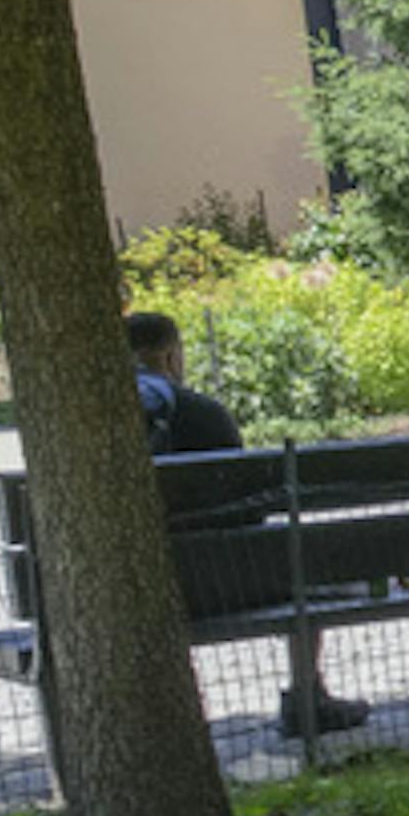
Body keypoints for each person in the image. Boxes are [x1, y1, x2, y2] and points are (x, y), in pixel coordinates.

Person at [125, 310, 367, 738]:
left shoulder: (97, 423)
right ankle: (307, 698)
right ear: (168, 356)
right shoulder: (204, 414)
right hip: (228, 585)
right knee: (303, 568)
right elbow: (252, 509)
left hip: (132, 590)